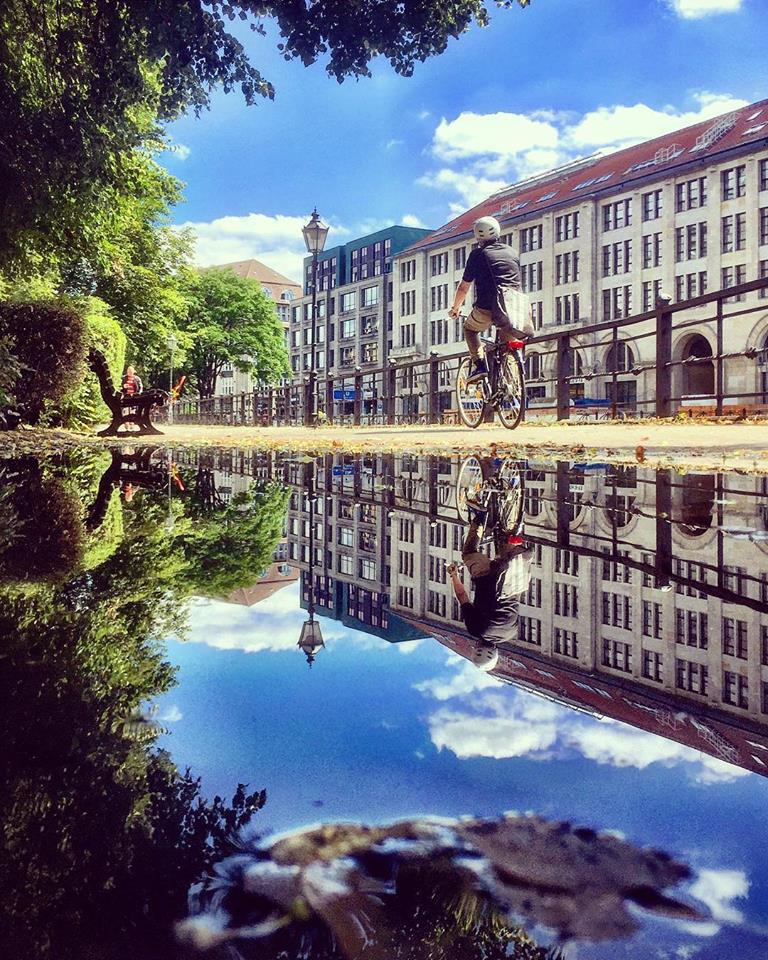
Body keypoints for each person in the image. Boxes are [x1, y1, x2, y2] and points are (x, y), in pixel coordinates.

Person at [448, 215, 534, 382]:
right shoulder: (512, 252)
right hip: (514, 308)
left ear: (478, 236)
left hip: (487, 307)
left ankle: (480, 365)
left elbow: (464, 287)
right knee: (506, 343)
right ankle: (511, 388)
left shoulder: (477, 254)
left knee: (470, 329)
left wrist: (455, 308)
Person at [448, 500, 533, 645]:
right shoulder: (476, 630)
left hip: (514, 581)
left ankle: (514, 495)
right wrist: (453, 575)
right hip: (486, 578)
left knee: (508, 543)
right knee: (469, 553)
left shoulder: (511, 634)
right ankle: (480, 518)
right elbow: (462, 596)